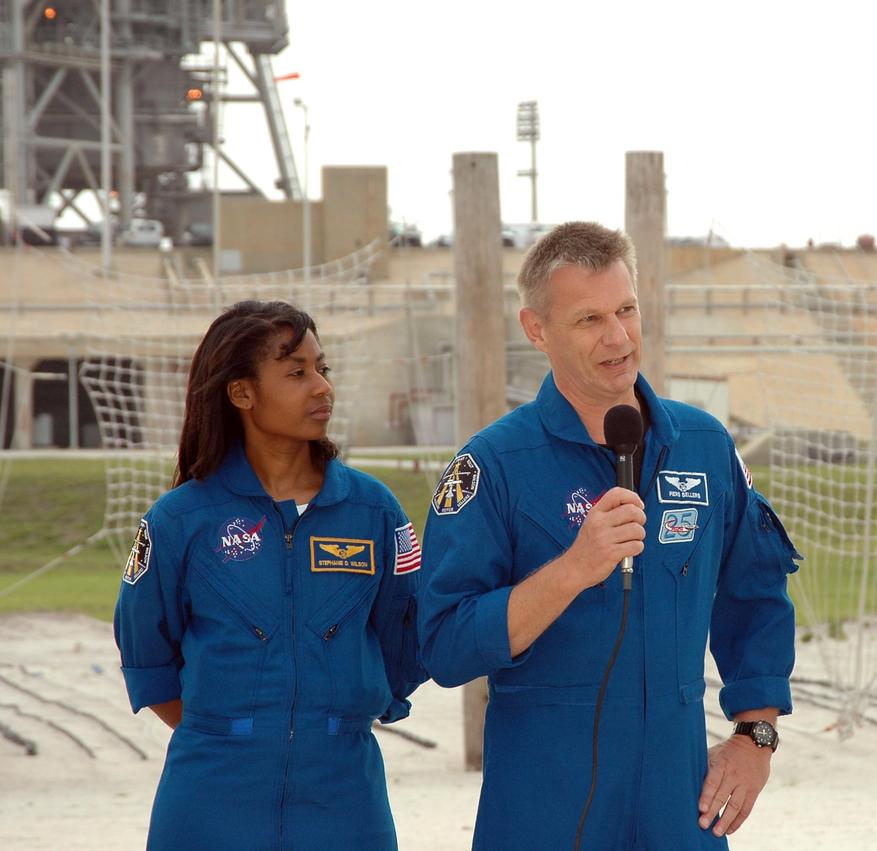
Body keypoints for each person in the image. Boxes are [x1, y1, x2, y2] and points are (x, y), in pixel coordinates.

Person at [418, 221, 801, 850]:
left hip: (679, 798)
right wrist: (573, 569)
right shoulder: (492, 466)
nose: (618, 337)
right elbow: (445, 645)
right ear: (536, 329)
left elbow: (755, 595)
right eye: (589, 319)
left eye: (627, 309)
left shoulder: (705, 447)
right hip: (544, 798)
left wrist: (755, 736)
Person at [113, 300, 427, 850]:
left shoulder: (375, 511)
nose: (322, 387)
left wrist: (331, 724)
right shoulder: (179, 520)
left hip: (345, 798)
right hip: (210, 800)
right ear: (242, 393)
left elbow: (407, 633)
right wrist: (231, 732)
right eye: (297, 372)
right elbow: (147, 654)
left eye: (322, 368)